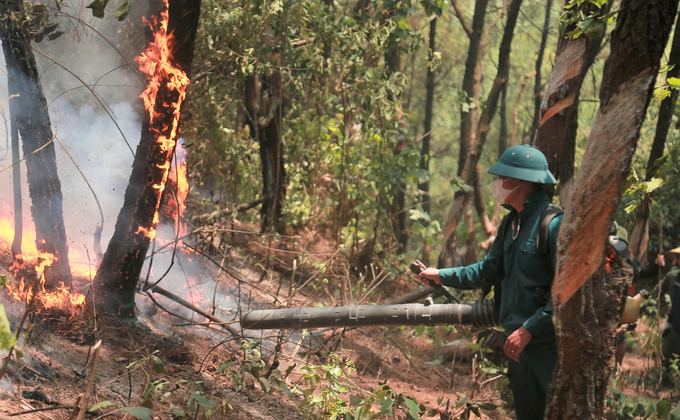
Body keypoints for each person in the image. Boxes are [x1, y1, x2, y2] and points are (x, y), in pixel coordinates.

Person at [418, 145, 560, 420]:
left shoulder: (553, 225)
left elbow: (565, 293)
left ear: (520, 182)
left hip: (548, 349)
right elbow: (487, 270)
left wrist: (529, 329)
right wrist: (441, 274)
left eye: (502, 178)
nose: (497, 184)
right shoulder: (511, 224)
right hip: (516, 345)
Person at [609, 223, 665, 367]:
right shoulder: (602, 253)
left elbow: (642, 273)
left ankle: (617, 368)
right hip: (605, 300)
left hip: (621, 302)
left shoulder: (629, 255)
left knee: (620, 337)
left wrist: (657, 267)